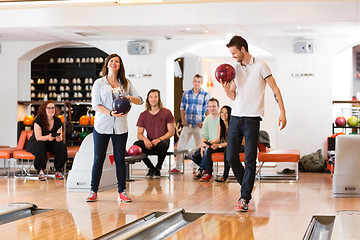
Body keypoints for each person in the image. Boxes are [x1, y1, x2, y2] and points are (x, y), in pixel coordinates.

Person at [221, 36, 287, 212]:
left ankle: (244, 197)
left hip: (252, 118)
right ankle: (247, 184)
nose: (233, 56)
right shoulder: (234, 68)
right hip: (236, 117)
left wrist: (282, 112)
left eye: (234, 52)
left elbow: (275, 89)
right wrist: (227, 91)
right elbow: (234, 96)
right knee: (230, 157)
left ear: (243, 49)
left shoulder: (261, 66)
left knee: (250, 159)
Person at [87, 53, 143, 202]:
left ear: (120, 65)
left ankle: (122, 191)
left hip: (120, 127)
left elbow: (140, 100)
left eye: (117, 61)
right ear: (107, 64)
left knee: (119, 159)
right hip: (102, 125)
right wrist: (110, 113)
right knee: (98, 158)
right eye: (111, 61)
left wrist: (131, 98)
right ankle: (93, 191)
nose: (114, 63)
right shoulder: (99, 83)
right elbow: (96, 105)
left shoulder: (126, 83)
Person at [171, 74, 211, 173]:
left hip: (199, 125)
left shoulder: (206, 95)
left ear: (201, 83)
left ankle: (196, 167)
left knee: (199, 146)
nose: (196, 83)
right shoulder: (186, 93)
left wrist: (203, 122)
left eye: (198, 81)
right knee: (180, 145)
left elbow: (208, 110)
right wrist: (183, 120)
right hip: (187, 124)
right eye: (195, 81)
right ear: (193, 82)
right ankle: (178, 167)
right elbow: (182, 108)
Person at [133, 89, 175, 178]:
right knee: (136, 145)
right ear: (148, 99)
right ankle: (151, 167)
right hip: (150, 142)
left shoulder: (167, 112)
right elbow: (139, 134)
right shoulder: (143, 115)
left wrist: (159, 140)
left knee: (163, 144)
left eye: (155, 97)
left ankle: (158, 168)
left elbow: (171, 132)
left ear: (159, 98)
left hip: (162, 141)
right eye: (151, 97)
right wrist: (145, 140)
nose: (153, 99)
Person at [25, 100, 67, 181]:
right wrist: (48, 137)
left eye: (53, 108)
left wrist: (59, 138)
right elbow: (38, 137)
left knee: (61, 145)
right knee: (40, 144)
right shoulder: (38, 120)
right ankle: (40, 171)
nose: (51, 110)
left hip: (50, 143)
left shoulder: (57, 121)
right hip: (36, 142)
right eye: (49, 108)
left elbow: (60, 136)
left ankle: (58, 170)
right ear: (44, 109)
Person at [200, 105, 234, 182]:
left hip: (238, 146)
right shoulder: (220, 124)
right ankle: (209, 174)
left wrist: (219, 145)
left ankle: (225, 176)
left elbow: (232, 142)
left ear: (230, 114)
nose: (223, 114)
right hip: (226, 145)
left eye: (226, 113)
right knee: (210, 149)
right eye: (222, 112)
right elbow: (219, 139)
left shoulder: (233, 125)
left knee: (227, 149)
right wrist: (211, 143)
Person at [192, 98, 220, 179]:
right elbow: (204, 136)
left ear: (218, 107)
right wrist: (203, 146)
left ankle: (201, 170)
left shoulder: (221, 118)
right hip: (208, 144)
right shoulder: (207, 119)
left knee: (207, 150)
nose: (211, 108)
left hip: (218, 144)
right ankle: (206, 168)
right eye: (210, 106)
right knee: (192, 154)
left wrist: (208, 145)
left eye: (214, 106)